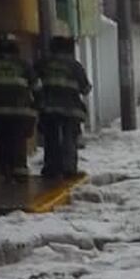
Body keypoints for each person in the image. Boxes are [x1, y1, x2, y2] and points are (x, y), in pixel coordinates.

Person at [0, 34, 38, 182]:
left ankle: (6, 172)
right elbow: (36, 86)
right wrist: (36, 106)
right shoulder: (23, 64)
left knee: (2, 141)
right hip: (20, 112)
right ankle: (20, 173)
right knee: (18, 141)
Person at [35, 36, 91, 179]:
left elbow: (33, 82)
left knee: (51, 138)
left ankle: (52, 168)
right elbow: (85, 89)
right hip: (71, 110)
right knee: (69, 139)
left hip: (49, 109)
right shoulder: (75, 66)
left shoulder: (43, 63)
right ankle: (69, 168)